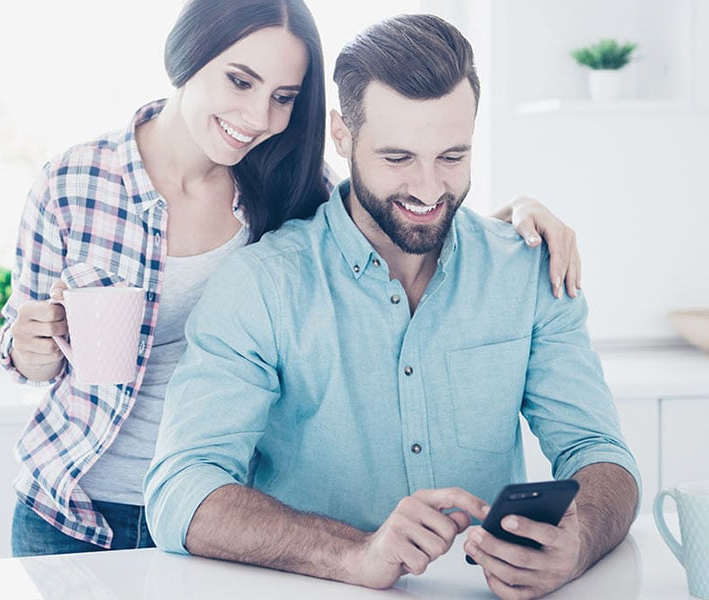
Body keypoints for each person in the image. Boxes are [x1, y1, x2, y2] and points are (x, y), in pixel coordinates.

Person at [1, 0, 581, 557]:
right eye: (239, 81)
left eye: (283, 97)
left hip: (218, 505)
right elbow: (20, 345)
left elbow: (405, 210)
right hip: (75, 499)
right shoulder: (74, 182)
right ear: (187, 56)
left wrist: (514, 221)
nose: (258, 118)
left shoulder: (292, 187)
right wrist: (32, 348)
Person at [143, 13, 640, 599]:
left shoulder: (529, 271)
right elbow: (181, 488)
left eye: (452, 157)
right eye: (398, 158)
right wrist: (354, 553)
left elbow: (601, 454)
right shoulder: (262, 285)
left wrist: (577, 541)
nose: (429, 190)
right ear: (343, 136)